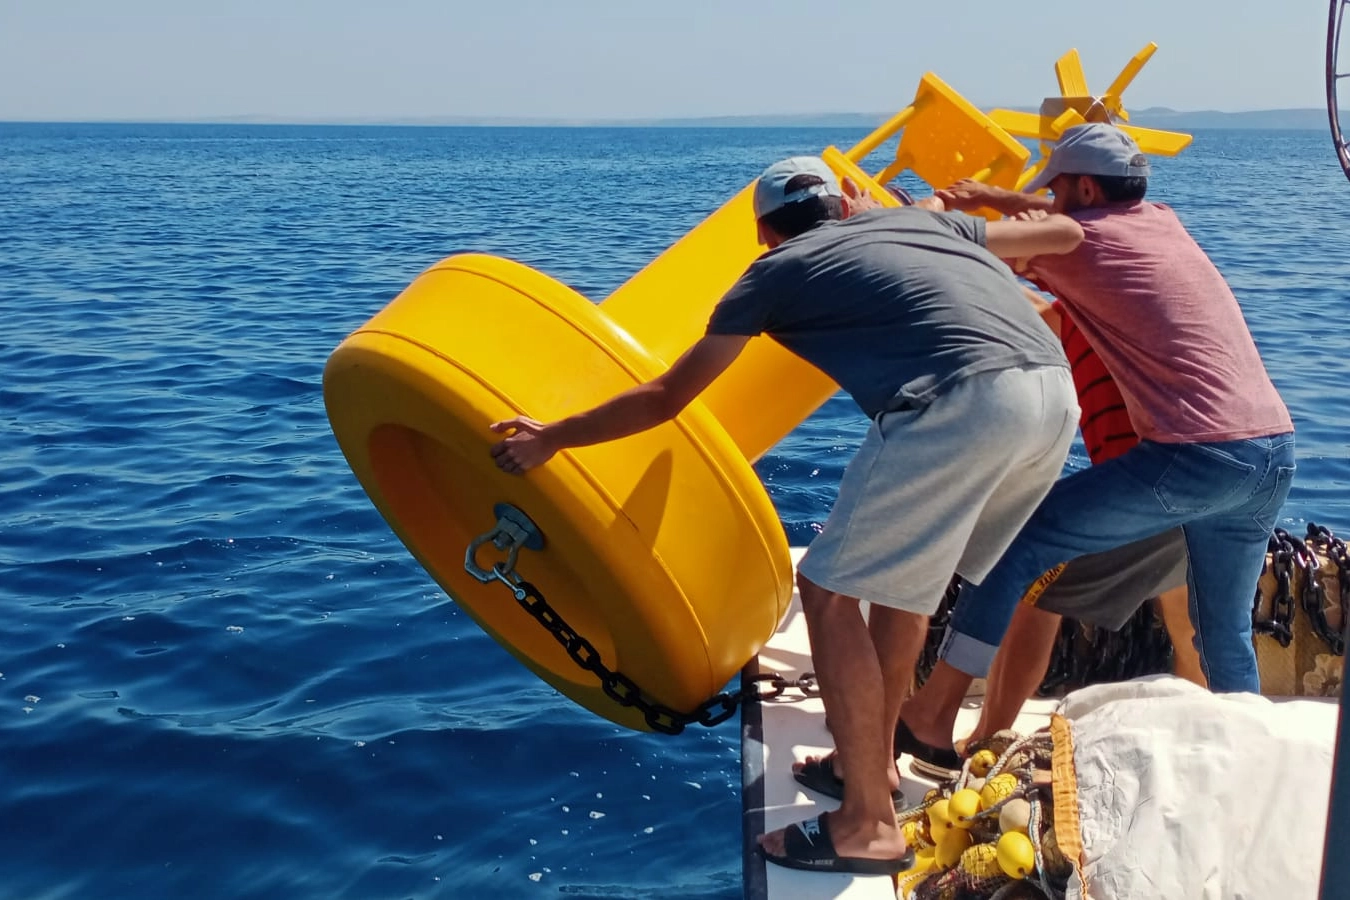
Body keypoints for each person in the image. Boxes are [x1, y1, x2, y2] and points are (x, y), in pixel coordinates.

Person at [490, 156, 1085, 874]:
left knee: (830, 591)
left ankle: (866, 824)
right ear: (841, 207)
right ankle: (871, 766)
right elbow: (1063, 234)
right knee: (905, 593)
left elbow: (667, 397)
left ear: (765, 233)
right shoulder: (921, 222)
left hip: (962, 402)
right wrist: (974, 203)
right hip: (1052, 397)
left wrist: (553, 437)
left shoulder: (772, 273)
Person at [892, 123, 1295, 772]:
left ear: (1083, 187)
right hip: (1270, 453)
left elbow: (968, 248)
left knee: (1018, 545)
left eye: (1059, 186)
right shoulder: (1161, 220)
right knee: (1222, 631)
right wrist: (993, 191)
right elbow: (1058, 214)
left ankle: (930, 718)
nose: (1052, 199)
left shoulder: (1080, 241)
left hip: (1193, 456)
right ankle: (1251, 770)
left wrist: (913, 215)